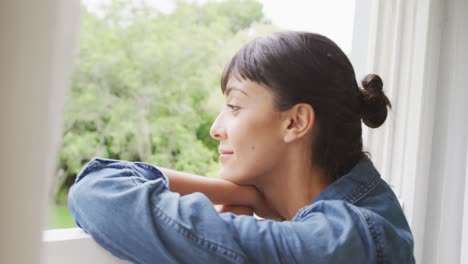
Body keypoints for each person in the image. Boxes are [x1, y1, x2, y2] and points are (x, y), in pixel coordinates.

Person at [68, 31, 415, 263]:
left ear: (295, 122)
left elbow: (98, 191)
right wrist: (245, 196)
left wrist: (233, 194)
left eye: (234, 107)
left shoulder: (340, 241)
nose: (215, 129)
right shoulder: (365, 215)